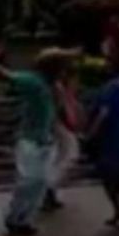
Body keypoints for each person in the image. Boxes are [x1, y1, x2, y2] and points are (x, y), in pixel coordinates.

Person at [0, 51, 61, 236]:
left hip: (44, 139)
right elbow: (8, 76)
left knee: (40, 182)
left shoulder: (48, 84)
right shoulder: (33, 81)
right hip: (30, 139)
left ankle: (25, 219)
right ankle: (14, 216)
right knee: (29, 180)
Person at [86, 55, 119, 228]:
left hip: (110, 135)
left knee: (110, 176)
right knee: (116, 176)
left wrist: (91, 133)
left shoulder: (112, 88)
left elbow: (104, 112)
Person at [42, 49, 85, 211]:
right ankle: (48, 187)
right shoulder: (55, 86)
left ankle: (50, 191)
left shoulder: (54, 85)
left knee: (58, 157)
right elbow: (60, 108)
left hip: (55, 124)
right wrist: (69, 123)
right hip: (57, 124)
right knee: (70, 155)